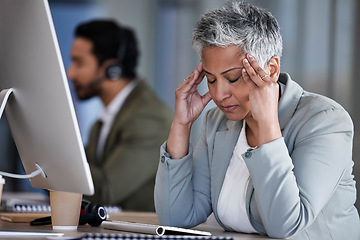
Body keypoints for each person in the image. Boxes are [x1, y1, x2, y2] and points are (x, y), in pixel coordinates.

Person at [154, 2, 360, 239]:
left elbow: (285, 224)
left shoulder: (325, 121)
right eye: (211, 80)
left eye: (232, 79)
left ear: (271, 70)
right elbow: (175, 217)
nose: (219, 95)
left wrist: (268, 124)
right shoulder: (217, 122)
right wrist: (181, 125)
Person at [67, 20, 172, 211]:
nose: (70, 73)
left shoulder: (148, 117)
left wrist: (57, 153)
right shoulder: (105, 120)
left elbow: (105, 191)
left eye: (79, 63)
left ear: (111, 69)